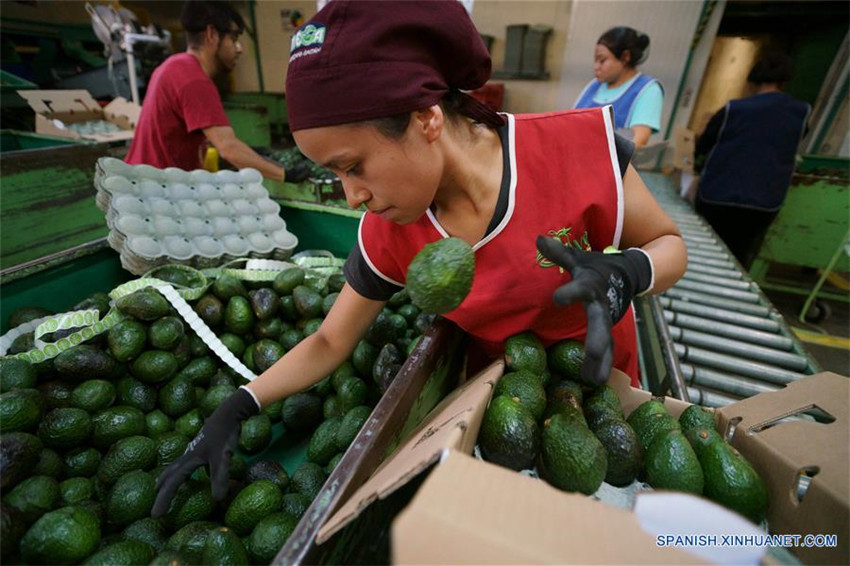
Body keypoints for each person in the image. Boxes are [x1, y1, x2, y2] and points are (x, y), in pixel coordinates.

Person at [152, 0, 687, 514]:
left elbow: (671, 246)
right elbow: (330, 339)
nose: (351, 195)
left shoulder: (575, 147)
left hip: (602, 401)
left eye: (353, 165)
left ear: (425, 119)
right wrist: (238, 406)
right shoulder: (390, 231)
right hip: (502, 416)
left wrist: (628, 272)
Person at [125, 0, 310, 182]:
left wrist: (253, 153)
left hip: (142, 182)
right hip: (153, 190)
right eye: (234, 38)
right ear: (212, 34)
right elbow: (228, 148)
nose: (239, 49)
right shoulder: (194, 79)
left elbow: (194, 139)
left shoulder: (175, 66)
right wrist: (285, 174)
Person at [694, 53, 811, 269]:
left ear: (751, 81)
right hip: (764, 201)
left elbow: (703, 144)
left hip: (718, 195)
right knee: (740, 256)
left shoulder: (734, 109)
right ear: (784, 82)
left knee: (704, 250)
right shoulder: (800, 112)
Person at [574, 26, 664, 148]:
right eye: (595, 60)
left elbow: (639, 140)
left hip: (611, 165)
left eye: (602, 60)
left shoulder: (647, 90)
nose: (596, 67)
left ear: (625, 57)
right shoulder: (594, 86)